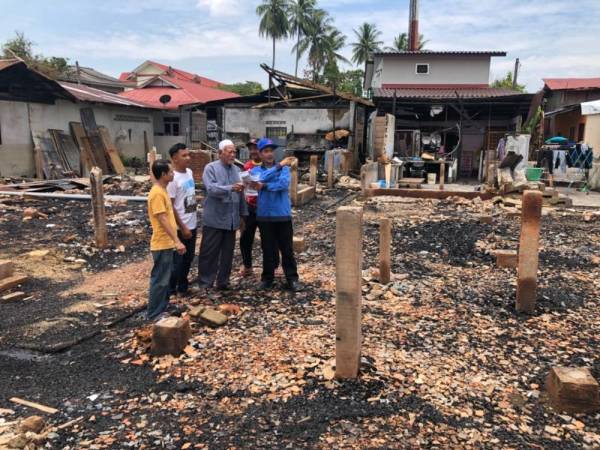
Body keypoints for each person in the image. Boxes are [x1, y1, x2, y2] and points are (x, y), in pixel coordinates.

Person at [251, 138, 302, 292]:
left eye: (271, 151)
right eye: (265, 151)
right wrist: (278, 166)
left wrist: (265, 186)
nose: (269, 154)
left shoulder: (285, 170)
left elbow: (283, 185)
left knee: (287, 249)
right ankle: (267, 279)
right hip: (265, 215)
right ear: (259, 154)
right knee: (267, 249)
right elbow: (257, 180)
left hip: (282, 214)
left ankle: (292, 278)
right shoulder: (256, 171)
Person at [197, 139, 248, 290]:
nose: (233, 155)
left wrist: (243, 215)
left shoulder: (237, 171)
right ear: (220, 153)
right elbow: (212, 189)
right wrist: (231, 188)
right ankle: (205, 284)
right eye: (230, 152)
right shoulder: (210, 168)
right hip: (214, 219)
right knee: (209, 253)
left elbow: (241, 195)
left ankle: (223, 282)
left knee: (227, 253)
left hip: (231, 219)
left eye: (234, 152)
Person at [147, 160, 186, 320]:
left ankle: (162, 306)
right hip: (161, 243)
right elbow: (162, 219)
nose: (173, 174)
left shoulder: (162, 190)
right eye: (170, 172)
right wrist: (177, 240)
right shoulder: (156, 193)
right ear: (163, 175)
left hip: (166, 243)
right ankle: (155, 313)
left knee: (165, 277)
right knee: (160, 280)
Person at [167, 143, 197, 296]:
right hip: (181, 226)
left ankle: (183, 286)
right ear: (174, 158)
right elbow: (171, 207)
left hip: (192, 223)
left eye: (188, 154)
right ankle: (171, 289)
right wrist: (183, 226)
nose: (188, 158)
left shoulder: (189, 172)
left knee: (188, 258)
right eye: (184, 155)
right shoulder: (172, 178)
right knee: (177, 260)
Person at [239, 139, 263, 277]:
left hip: (265, 207)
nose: (253, 151)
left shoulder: (268, 166)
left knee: (269, 238)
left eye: (256, 148)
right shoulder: (246, 166)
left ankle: (273, 266)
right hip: (249, 206)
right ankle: (247, 265)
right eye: (251, 149)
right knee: (246, 238)